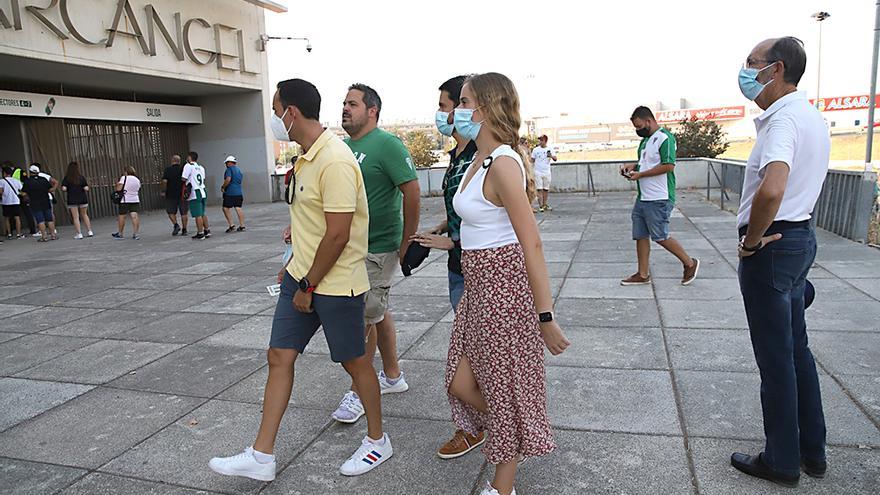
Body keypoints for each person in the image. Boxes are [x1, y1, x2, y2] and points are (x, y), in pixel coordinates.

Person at [209, 78, 392, 480]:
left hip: (335, 284)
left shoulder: (336, 160)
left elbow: (339, 233)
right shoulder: (307, 157)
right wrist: (293, 265)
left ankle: (378, 441)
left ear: (291, 112)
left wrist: (309, 285)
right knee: (279, 356)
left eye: (276, 112)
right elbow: (310, 224)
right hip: (301, 277)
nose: (275, 121)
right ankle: (262, 455)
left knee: (355, 363)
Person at [447, 72, 570, 495]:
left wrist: (545, 316)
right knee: (460, 383)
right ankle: (514, 426)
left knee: (500, 386)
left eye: (463, 101)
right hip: (478, 288)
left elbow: (530, 242)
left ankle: (503, 486)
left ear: (483, 107)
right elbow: (480, 224)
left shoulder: (502, 162)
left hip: (502, 289)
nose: (456, 109)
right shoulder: (478, 160)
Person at [730, 37, 829, 488]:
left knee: (776, 361)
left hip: (773, 245)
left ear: (776, 68)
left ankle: (782, 460)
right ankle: (812, 451)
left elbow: (772, 189)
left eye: (752, 62)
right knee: (796, 352)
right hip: (799, 237)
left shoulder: (783, 120)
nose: (745, 70)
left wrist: (751, 242)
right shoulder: (810, 115)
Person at [332, 83, 420, 423]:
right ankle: (393, 375)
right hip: (350, 246)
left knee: (363, 317)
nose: (345, 109)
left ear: (372, 111)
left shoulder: (387, 145)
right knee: (378, 311)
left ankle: (358, 390)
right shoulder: (343, 147)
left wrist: (407, 240)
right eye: (343, 103)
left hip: (378, 246)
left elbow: (411, 191)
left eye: (352, 104)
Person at [411, 75, 486, 459]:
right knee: (470, 354)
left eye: (445, 106)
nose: (441, 115)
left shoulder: (483, 154)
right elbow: (464, 208)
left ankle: (489, 424)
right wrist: (441, 227)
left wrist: (451, 241)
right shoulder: (458, 154)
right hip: (458, 266)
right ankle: (486, 423)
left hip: (475, 267)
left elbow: (496, 223)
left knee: (469, 358)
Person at [619, 106, 700, 286]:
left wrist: (641, 174)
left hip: (659, 197)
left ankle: (689, 263)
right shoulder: (646, 141)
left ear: (649, 121)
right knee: (640, 234)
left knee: (660, 235)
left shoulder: (665, 138)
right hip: (643, 197)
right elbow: (645, 164)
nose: (638, 130)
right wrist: (632, 167)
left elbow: (668, 166)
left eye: (639, 126)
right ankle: (642, 274)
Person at [21, 166, 56, 242]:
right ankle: (53, 235)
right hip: (46, 202)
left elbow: (23, 193)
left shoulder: (28, 181)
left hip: (35, 203)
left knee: (40, 220)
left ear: (30, 172)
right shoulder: (43, 180)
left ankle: (44, 236)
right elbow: (50, 189)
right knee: (49, 219)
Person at [61, 161, 93, 239]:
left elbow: (64, 188)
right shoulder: (81, 177)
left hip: (72, 199)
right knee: (85, 215)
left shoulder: (67, 178)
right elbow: (86, 188)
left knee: (76, 217)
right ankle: (89, 231)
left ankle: (79, 233)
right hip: (82, 198)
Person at [182, 151, 210, 240]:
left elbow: (184, 178)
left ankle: (200, 233)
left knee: (197, 214)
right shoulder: (201, 167)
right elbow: (203, 178)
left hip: (195, 192)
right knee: (202, 213)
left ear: (189, 158)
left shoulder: (188, 166)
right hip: (202, 191)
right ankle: (207, 230)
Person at [161, 155, 189, 236]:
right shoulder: (183, 169)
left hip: (170, 194)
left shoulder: (168, 170)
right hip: (183, 194)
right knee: (184, 213)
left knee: (170, 212)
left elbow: (165, 181)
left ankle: (176, 225)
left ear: (172, 160)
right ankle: (184, 230)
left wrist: (163, 191)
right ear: (179, 161)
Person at [112, 166, 141, 240]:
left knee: (122, 216)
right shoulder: (137, 179)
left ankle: (120, 233)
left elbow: (119, 189)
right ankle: (136, 233)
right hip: (135, 199)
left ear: (126, 172)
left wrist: (117, 184)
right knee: (134, 216)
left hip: (125, 199)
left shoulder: (124, 178)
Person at [530, 135, 556, 212]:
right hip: (538, 172)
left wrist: (550, 156)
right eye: (539, 140)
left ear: (545, 141)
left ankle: (545, 204)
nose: (540, 142)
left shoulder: (550, 149)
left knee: (546, 189)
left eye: (541, 140)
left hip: (547, 172)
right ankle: (540, 205)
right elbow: (532, 160)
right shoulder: (535, 150)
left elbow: (555, 159)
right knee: (539, 189)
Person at [221, 155, 246, 232]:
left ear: (230, 163)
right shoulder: (239, 170)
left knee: (225, 208)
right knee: (238, 207)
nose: (226, 164)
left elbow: (228, 179)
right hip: (238, 192)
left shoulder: (229, 170)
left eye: (226, 163)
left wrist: (223, 186)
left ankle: (231, 225)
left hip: (230, 192)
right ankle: (242, 225)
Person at [0, 166, 24, 239]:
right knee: (17, 218)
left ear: (4, 173)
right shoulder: (16, 180)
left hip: (6, 202)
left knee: (7, 218)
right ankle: (18, 234)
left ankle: (9, 234)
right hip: (16, 201)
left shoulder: (2, 181)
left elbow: (1, 191)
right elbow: (21, 190)